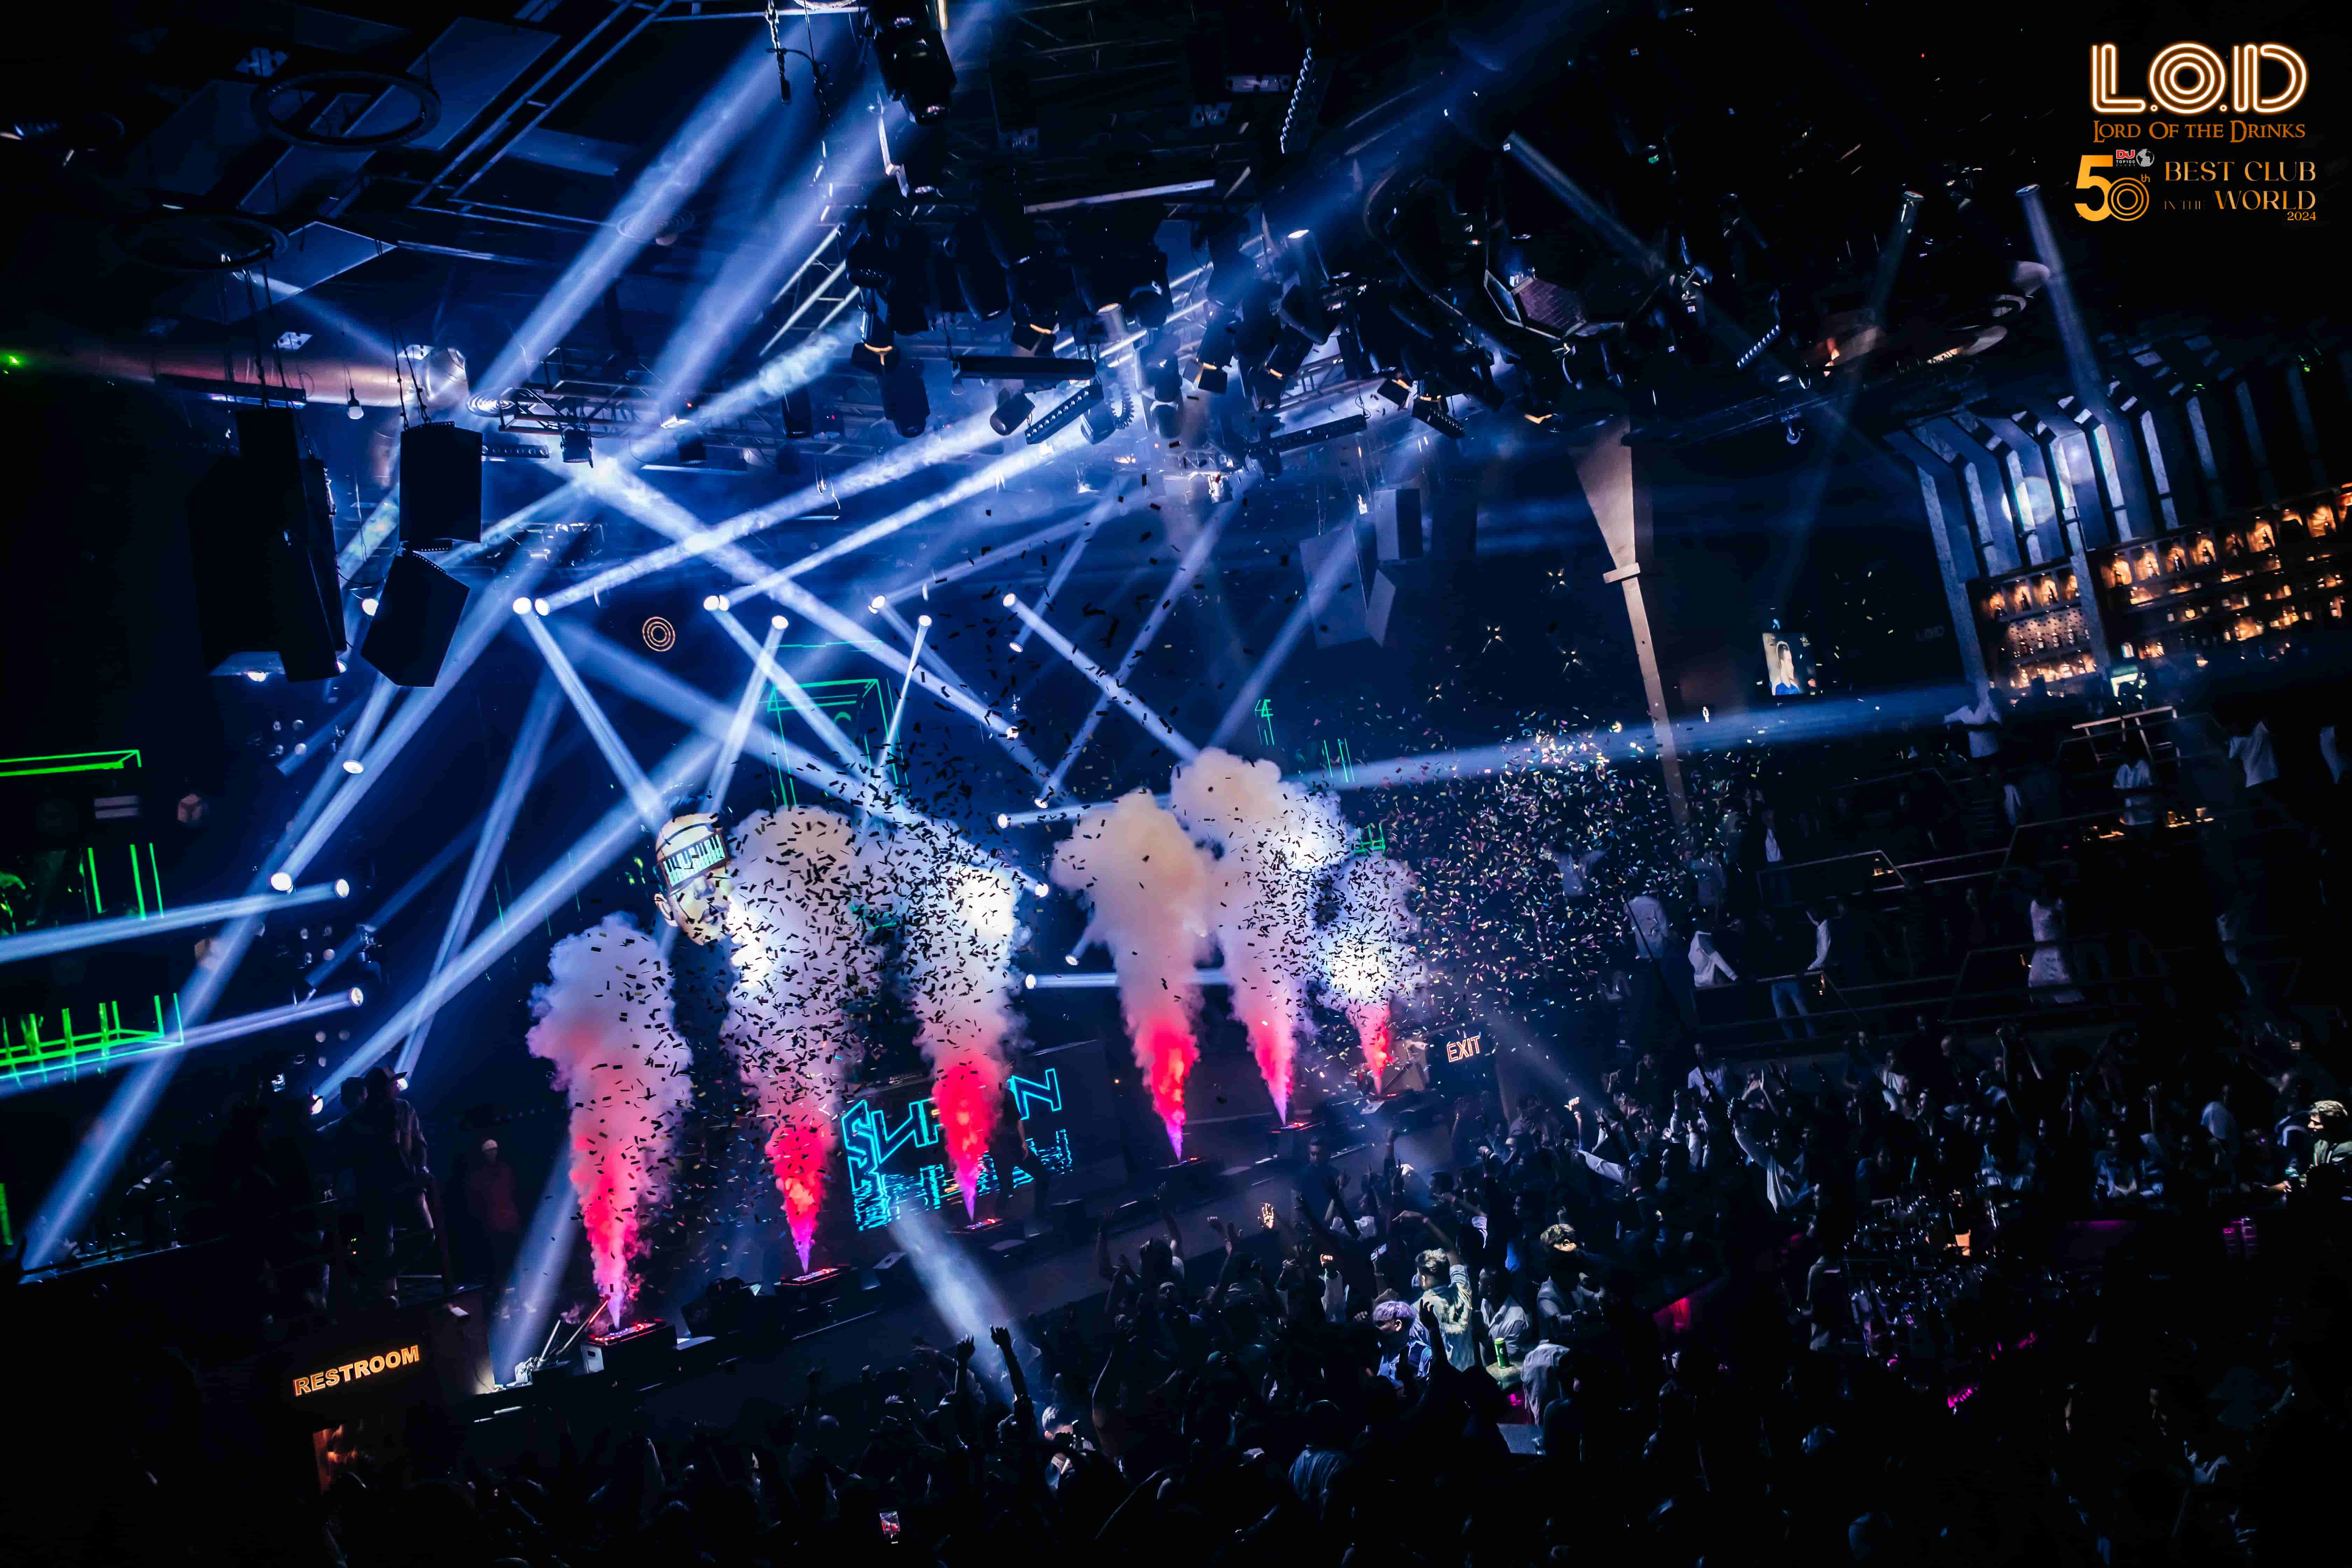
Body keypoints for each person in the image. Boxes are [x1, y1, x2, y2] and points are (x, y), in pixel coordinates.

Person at [463, 1138, 521, 1311]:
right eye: (489, 1152)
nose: (492, 1154)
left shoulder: (505, 1171)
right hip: (493, 1228)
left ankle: (518, 1299)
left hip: (509, 1224)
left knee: (514, 1264)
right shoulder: (478, 1177)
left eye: (494, 1151)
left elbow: (512, 1192)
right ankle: (501, 1302)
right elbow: (475, 1203)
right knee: (497, 1268)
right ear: (484, 1154)